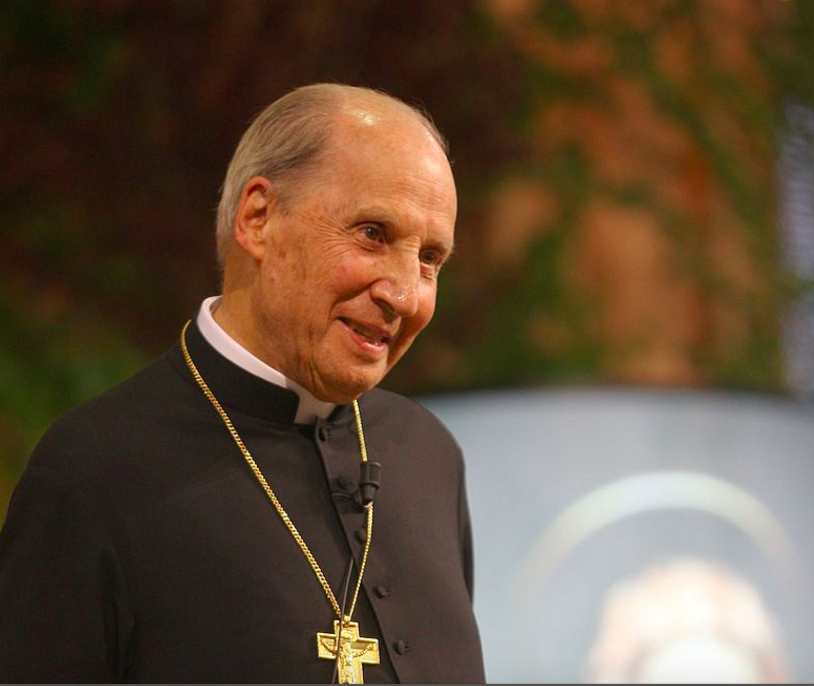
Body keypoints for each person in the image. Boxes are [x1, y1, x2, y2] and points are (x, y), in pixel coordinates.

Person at [0, 84, 485, 683]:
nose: (405, 295)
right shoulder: (94, 471)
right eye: (373, 234)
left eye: (430, 258)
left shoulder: (430, 454)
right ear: (259, 220)